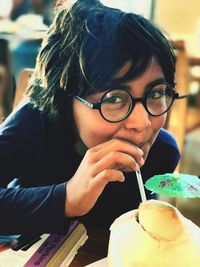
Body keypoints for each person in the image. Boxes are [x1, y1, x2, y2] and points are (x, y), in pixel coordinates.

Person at [0, 0, 183, 235]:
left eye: (156, 93)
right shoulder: (34, 123)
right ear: (67, 99)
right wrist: (66, 197)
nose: (142, 123)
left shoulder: (162, 154)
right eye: (114, 98)